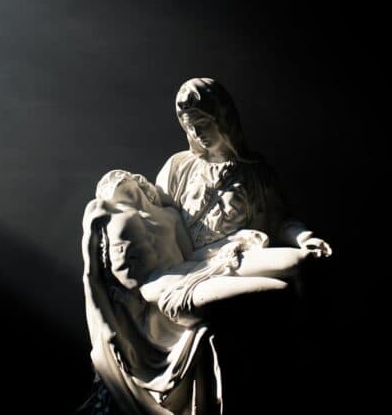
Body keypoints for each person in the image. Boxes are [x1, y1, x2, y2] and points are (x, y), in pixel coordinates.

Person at [82, 170, 316, 414]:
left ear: (138, 183)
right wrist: (107, 328)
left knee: (298, 261)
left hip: (197, 270)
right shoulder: (103, 214)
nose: (118, 187)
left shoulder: (168, 215)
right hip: (168, 292)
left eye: (123, 182)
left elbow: (191, 255)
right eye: (113, 187)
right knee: (279, 291)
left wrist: (234, 243)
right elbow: (92, 277)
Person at [155, 78, 332, 256]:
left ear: (223, 120)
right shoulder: (178, 167)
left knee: (294, 264)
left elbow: (280, 223)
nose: (197, 134)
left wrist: (305, 239)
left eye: (202, 124)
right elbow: (155, 218)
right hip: (186, 261)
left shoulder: (257, 174)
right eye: (190, 127)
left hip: (237, 260)